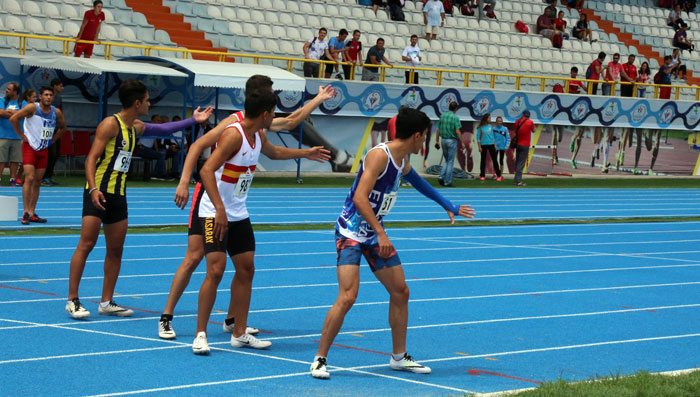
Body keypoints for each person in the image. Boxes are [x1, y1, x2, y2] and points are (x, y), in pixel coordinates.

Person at [160, 78, 335, 341]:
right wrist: (184, 182)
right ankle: (167, 317)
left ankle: (233, 323)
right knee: (196, 258)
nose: (274, 93)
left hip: (234, 205)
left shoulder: (259, 128)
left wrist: (317, 101)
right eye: (271, 91)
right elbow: (198, 148)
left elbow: (288, 126)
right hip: (208, 196)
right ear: (260, 98)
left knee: (242, 266)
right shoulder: (233, 124)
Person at [309, 107, 475, 379]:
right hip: (350, 233)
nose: (424, 142)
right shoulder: (379, 156)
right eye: (425, 137)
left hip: (374, 232)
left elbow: (420, 183)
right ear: (418, 135)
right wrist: (381, 233)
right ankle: (320, 358)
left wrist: (449, 205)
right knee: (348, 297)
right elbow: (361, 198)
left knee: (401, 291)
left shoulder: (402, 160)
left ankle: (399, 357)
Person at [65, 79, 213, 319]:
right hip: (97, 193)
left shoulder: (135, 127)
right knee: (86, 244)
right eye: (146, 100)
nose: (149, 103)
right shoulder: (109, 125)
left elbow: (164, 130)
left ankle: (106, 301)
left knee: (116, 250)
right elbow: (91, 158)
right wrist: (93, 189)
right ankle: (72, 299)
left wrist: (193, 121)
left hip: (118, 195)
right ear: (136, 103)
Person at [9, 87, 66, 225]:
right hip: (30, 147)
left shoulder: (56, 112)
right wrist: (22, 136)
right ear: (40, 96)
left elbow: (63, 127)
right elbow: (13, 118)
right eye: (45, 94)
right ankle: (25, 212)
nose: (48, 97)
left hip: (43, 148)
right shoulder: (32, 108)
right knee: (29, 177)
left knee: (38, 181)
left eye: (50, 95)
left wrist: (53, 140)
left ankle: (32, 212)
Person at [434, 101, 461, 187]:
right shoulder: (455, 118)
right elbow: (457, 131)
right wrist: (462, 142)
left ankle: (441, 176)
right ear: (456, 109)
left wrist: (437, 141)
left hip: (443, 140)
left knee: (447, 160)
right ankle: (447, 181)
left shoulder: (442, 116)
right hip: (452, 140)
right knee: (450, 161)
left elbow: (438, 129)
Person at [43, 78, 64, 186]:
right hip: (46, 130)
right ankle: (43, 176)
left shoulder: (59, 98)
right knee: (50, 154)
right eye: (60, 85)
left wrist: (62, 126)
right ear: (55, 86)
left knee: (56, 154)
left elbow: (61, 112)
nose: (62, 88)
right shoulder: (43, 99)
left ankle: (48, 176)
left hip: (56, 130)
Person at [0, 82, 22, 187]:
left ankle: (12, 180)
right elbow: (1, 113)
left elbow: (24, 114)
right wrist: (16, 113)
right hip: (3, 135)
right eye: (7, 88)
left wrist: (8, 111)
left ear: (15, 92)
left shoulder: (22, 102)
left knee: (15, 160)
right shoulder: (2, 101)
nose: (7, 90)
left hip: (17, 136)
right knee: (1, 159)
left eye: (9, 89)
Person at [475, 113, 503, 181]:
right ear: (485, 118)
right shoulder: (480, 127)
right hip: (483, 145)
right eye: (489, 118)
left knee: (494, 160)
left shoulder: (490, 126)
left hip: (491, 145)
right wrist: (479, 147)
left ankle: (499, 175)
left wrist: (495, 145)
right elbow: (478, 137)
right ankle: (482, 175)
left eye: (490, 118)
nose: (490, 119)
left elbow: (492, 136)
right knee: (483, 160)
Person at [513, 110, 535, 186]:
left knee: (518, 162)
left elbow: (515, 130)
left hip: (518, 144)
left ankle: (516, 179)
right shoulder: (530, 122)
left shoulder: (517, 121)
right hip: (525, 145)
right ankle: (518, 181)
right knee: (521, 163)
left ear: (522, 114)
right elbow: (533, 130)